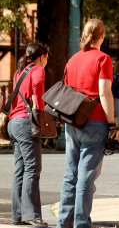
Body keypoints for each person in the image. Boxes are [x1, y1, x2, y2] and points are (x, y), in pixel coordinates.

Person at [57, 19, 119, 228]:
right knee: (86, 177)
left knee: (71, 174)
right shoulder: (103, 59)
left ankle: (64, 222)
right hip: (94, 121)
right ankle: (81, 223)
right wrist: (112, 124)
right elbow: (104, 93)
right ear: (102, 36)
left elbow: (67, 90)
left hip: (73, 120)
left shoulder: (73, 59)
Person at [7, 43, 49, 227]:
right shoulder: (37, 70)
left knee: (20, 170)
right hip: (26, 123)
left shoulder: (19, 72)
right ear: (42, 56)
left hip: (13, 123)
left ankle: (18, 215)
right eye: (47, 57)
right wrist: (40, 112)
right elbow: (37, 97)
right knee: (33, 169)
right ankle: (32, 215)